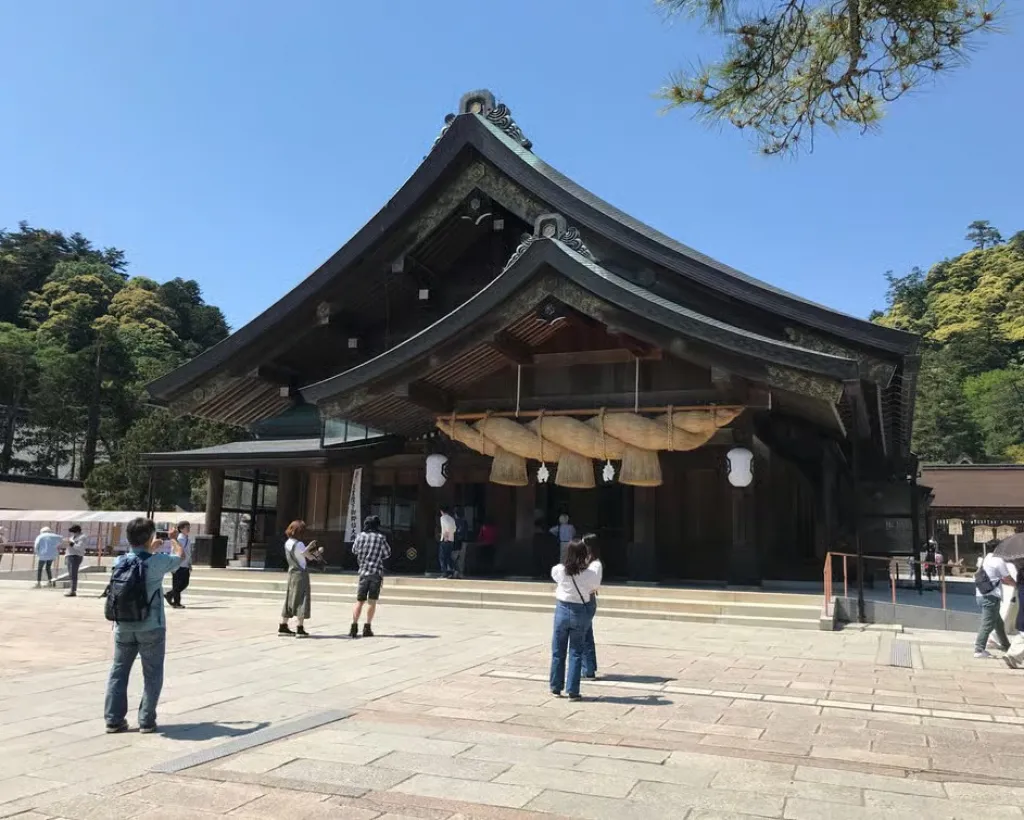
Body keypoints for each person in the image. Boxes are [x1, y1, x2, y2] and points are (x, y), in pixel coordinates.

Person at [103, 517, 184, 733]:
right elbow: (180, 557)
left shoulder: (119, 562)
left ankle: (113, 719)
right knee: (152, 672)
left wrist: (149, 547)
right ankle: (146, 720)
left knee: (119, 671)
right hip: (151, 625)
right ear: (150, 537)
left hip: (124, 624)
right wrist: (174, 539)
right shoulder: (157, 562)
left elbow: (138, 557)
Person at [549, 539, 600, 701]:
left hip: (562, 610)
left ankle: (556, 686)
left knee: (558, 651)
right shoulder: (590, 573)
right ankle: (573, 690)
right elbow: (593, 587)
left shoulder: (559, 570)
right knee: (576, 652)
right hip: (579, 611)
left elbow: (556, 575)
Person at [349, 515, 391, 638]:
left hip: (363, 572)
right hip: (376, 572)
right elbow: (387, 553)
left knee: (359, 601)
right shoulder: (381, 538)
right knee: (371, 601)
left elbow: (354, 550)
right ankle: (367, 627)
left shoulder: (359, 536)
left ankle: (354, 626)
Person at [279, 520, 321, 637]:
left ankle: (283, 625)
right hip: (301, 574)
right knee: (302, 599)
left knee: (289, 598)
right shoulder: (299, 544)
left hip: (291, 572)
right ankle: (300, 628)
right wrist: (318, 552)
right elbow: (309, 557)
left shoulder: (287, 543)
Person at [975, 549, 1015, 659]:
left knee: (998, 624)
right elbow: (1007, 578)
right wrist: (1017, 585)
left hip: (981, 594)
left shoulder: (985, 559)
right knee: (987, 624)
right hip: (991, 596)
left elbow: (994, 576)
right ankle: (979, 649)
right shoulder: (998, 560)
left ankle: (1006, 646)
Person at [581, 535, 603, 680]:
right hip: (582, 599)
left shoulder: (595, 565)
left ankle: (587, 669)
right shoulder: (586, 562)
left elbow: (592, 584)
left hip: (587, 599)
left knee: (583, 636)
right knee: (587, 634)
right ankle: (590, 666)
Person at [165, 521, 193, 609]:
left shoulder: (187, 538)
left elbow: (188, 552)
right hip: (178, 565)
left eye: (189, 527)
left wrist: (189, 563)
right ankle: (176, 602)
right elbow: (174, 550)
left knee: (185, 583)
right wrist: (173, 563)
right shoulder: (179, 539)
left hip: (185, 564)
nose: (188, 529)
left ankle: (169, 595)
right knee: (177, 584)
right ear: (181, 529)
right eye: (186, 527)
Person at [65, 525, 86, 597]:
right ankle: (71, 589)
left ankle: (73, 590)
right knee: (70, 574)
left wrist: (71, 543)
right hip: (69, 555)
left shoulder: (82, 537)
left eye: (74, 532)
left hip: (76, 556)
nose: (73, 534)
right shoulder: (72, 537)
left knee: (73, 574)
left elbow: (80, 547)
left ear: (77, 531)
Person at [438, 507, 457, 578]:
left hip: (445, 539)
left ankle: (444, 572)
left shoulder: (442, 518)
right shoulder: (452, 518)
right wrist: (450, 535)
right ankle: (451, 571)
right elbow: (454, 529)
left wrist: (445, 535)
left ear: (441, 511)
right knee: (448, 556)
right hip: (451, 540)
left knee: (442, 557)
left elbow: (447, 527)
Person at [452, 507, 469, 579]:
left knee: (454, 558)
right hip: (464, 541)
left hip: (455, 542)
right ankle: (460, 573)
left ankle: (455, 572)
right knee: (462, 559)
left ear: (455, 514)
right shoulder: (464, 522)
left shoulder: (454, 521)